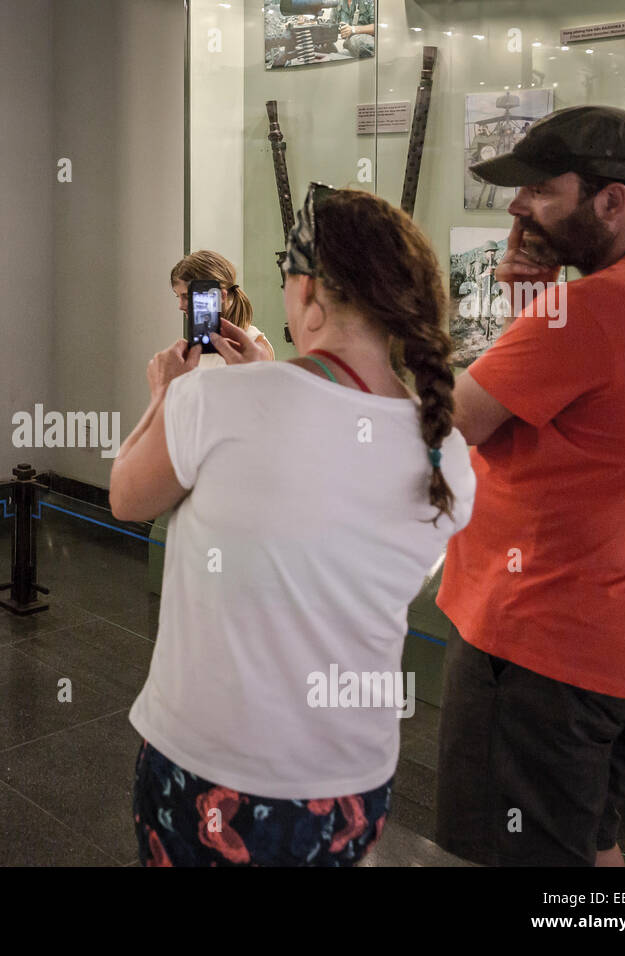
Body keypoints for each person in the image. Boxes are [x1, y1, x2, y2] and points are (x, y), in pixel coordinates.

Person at [112, 185, 476, 866]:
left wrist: (163, 393)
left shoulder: (209, 397)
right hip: (352, 779)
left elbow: (127, 497)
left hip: (209, 769)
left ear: (307, 292)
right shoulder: (446, 452)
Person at [437, 105, 625, 866]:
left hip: (539, 653)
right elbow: (574, 397)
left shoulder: (589, 308)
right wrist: (533, 307)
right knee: (589, 844)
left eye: (540, 191)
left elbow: (453, 419)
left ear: (612, 201)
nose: (519, 207)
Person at [169, 250, 274, 369]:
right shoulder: (198, 350)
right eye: (179, 297)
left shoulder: (254, 346)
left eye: (187, 296)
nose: (181, 306)